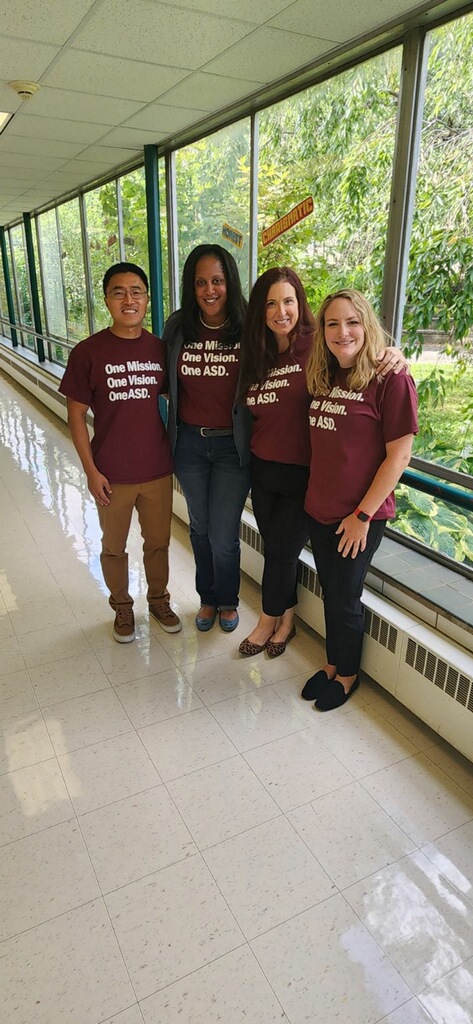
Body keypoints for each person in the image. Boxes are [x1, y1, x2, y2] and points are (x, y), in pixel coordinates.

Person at [237, 269, 409, 659]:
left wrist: (394, 352)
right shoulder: (259, 353)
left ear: (300, 304)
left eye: (288, 301)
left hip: (307, 477)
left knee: (281, 551)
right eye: (270, 303)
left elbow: (361, 350)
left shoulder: (318, 344)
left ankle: (270, 620)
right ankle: (286, 618)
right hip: (265, 472)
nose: (280, 311)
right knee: (277, 549)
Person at [302, 288, 418, 710]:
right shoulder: (325, 374)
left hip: (360, 515)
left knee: (346, 595)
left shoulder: (391, 379)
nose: (342, 331)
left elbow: (399, 456)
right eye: (332, 323)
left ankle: (347, 675)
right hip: (319, 508)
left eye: (352, 322)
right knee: (331, 590)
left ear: (367, 326)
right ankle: (333, 664)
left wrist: (363, 515)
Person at [59, 261, 181, 644]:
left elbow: (181, 401)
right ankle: (122, 607)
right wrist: (91, 472)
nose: (129, 299)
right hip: (111, 472)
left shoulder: (160, 349)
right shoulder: (88, 352)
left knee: (158, 543)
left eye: (136, 292)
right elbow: (76, 416)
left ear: (146, 299)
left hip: (157, 468)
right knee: (113, 547)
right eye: (119, 292)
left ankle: (159, 600)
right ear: (107, 299)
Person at [163, 244, 251, 633]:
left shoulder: (249, 326)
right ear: (191, 286)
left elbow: (297, 342)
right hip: (190, 445)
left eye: (217, 280)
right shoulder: (178, 326)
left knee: (222, 531)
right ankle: (208, 598)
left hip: (233, 445)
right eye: (201, 282)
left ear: (229, 282)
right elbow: (159, 375)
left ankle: (229, 600)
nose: (209, 290)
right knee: (198, 526)